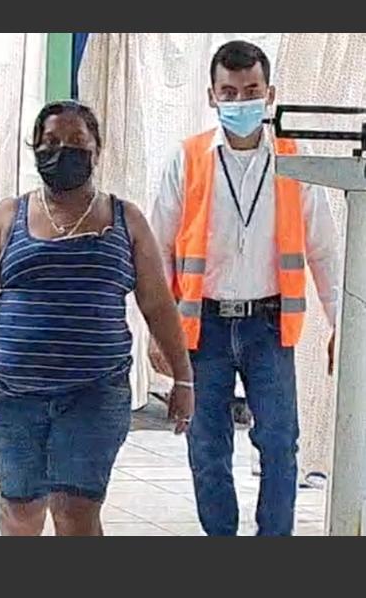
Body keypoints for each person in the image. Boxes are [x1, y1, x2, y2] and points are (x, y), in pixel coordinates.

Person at [0, 101, 194, 536]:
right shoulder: (9, 215)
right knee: (20, 509)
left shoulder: (126, 219)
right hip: (16, 394)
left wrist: (183, 379)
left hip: (94, 393)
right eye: (51, 142)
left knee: (76, 511)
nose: (62, 151)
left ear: (97, 149)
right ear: (35, 148)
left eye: (76, 141)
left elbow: (157, 303)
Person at [149, 40, 340, 536]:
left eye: (251, 91)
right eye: (229, 92)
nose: (240, 102)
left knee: (279, 444)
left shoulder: (294, 160)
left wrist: (342, 323)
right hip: (203, 326)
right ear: (211, 96)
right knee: (206, 445)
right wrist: (158, 330)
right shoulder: (188, 159)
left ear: (270, 94)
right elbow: (157, 251)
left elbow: (323, 250)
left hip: (268, 325)